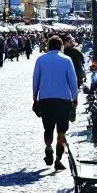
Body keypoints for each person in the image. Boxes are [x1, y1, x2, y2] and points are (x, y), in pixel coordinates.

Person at [32, 36, 80, 171]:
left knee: (48, 128)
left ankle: (48, 147)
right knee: (62, 131)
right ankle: (58, 160)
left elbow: (35, 80)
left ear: (48, 46)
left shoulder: (41, 60)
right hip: (63, 99)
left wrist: (35, 98)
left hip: (45, 99)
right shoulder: (67, 60)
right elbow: (73, 81)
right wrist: (75, 99)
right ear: (61, 46)